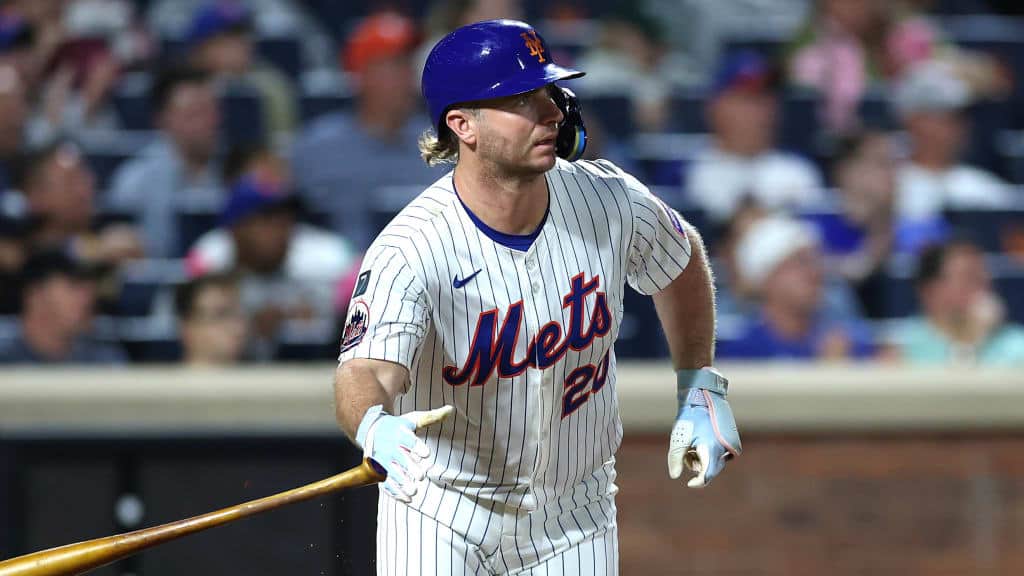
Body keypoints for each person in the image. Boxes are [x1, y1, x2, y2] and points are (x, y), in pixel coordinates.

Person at [333, 20, 741, 575]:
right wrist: (373, 423)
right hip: (443, 510)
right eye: (522, 99)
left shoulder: (607, 198)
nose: (550, 111)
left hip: (575, 516)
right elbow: (364, 372)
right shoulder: (412, 248)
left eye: (549, 92)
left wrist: (701, 384)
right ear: (462, 125)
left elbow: (682, 256)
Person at [290, 11, 444, 248]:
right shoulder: (314, 149)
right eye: (394, 65)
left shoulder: (442, 143)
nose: (408, 76)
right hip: (339, 274)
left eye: (409, 64)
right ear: (361, 74)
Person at [185, 172, 360, 360]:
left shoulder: (316, 279)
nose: (282, 229)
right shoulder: (207, 278)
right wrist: (250, 330)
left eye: (286, 218)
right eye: (267, 219)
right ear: (236, 229)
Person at [685, 51, 824, 224]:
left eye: (767, 98)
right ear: (715, 107)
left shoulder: (799, 172)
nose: (762, 110)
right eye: (748, 99)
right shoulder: (686, 171)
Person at [717, 215, 875, 360]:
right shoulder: (742, 354)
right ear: (766, 277)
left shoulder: (848, 344)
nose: (815, 272)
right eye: (800, 262)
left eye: (816, 261)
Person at [106, 65, 223, 257]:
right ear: (162, 119)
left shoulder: (233, 172)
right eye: (195, 113)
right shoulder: (134, 180)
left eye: (212, 111)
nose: (208, 122)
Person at [893, 61, 1014, 221]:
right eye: (944, 118)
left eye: (959, 118)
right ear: (913, 121)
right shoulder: (887, 184)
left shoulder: (987, 189)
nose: (957, 128)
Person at [887, 238, 1024, 364]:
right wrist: (973, 339)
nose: (984, 286)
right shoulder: (904, 346)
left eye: (984, 276)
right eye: (970, 277)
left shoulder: (1017, 345)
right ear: (930, 291)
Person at [19, 140, 144, 266]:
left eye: (84, 176)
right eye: (70, 181)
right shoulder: (18, 254)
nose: (83, 190)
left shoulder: (113, 237)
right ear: (35, 195)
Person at [183, 1, 297, 138]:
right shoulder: (180, 88)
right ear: (201, 48)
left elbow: (282, 144)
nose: (243, 45)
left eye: (244, 36)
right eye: (229, 39)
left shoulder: (271, 86)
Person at [0, 248, 125, 364]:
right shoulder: (5, 359)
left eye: (92, 286)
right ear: (36, 294)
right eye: (74, 285)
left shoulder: (104, 361)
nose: (90, 297)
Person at [174, 272, 247, 365]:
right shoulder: (156, 379)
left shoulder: (261, 377)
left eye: (240, 315)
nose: (238, 328)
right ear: (186, 327)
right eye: (220, 315)